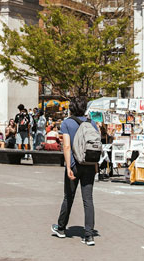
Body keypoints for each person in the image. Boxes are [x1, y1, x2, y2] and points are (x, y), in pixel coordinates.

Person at [51, 96, 99, 246]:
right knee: (88, 199)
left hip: (74, 164)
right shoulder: (92, 123)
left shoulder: (67, 123)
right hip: (89, 164)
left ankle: (61, 228)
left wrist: (68, 166)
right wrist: (96, 165)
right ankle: (89, 235)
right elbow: (95, 146)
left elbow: (66, 146)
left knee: (68, 197)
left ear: (71, 108)